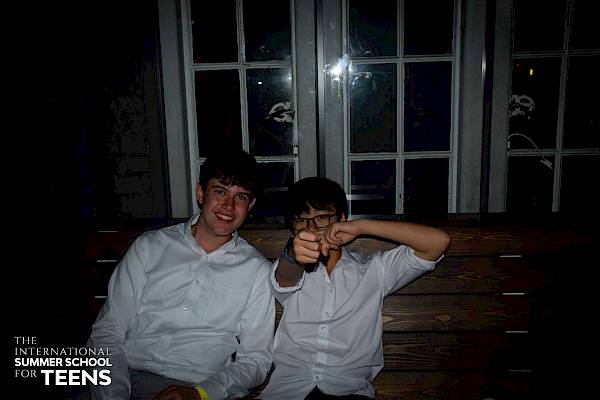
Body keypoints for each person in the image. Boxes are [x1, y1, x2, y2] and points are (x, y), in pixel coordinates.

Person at [87, 149, 275, 400]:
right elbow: (109, 330)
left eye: (240, 196)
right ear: (200, 193)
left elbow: (256, 359)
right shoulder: (149, 247)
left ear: (250, 205)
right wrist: (113, 395)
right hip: (124, 377)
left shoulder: (256, 270)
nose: (228, 206)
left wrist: (200, 393)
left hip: (196, 386)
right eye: (220, 191)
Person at [259, 177, 450, 399]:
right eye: (301, 220)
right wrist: (293, 255)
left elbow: (438, 242)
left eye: (322, 217)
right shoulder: (288, 264)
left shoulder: (373, 270)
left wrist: (360, 227)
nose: (311, 228)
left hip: (349, 391)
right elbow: (285, 276)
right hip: (287, 391)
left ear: (341, 219)